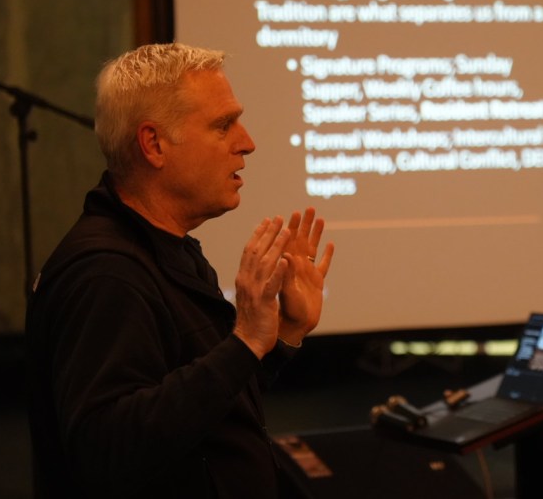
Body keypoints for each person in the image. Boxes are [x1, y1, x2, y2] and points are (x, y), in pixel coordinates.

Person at [25, 42, 334, 498]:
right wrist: (246, 340)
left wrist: (282, 335)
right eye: (223, 125)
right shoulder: (105, 275)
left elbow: (207, 408)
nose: (246, 142)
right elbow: (106, 449)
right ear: (154, 144)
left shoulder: (170, 250)